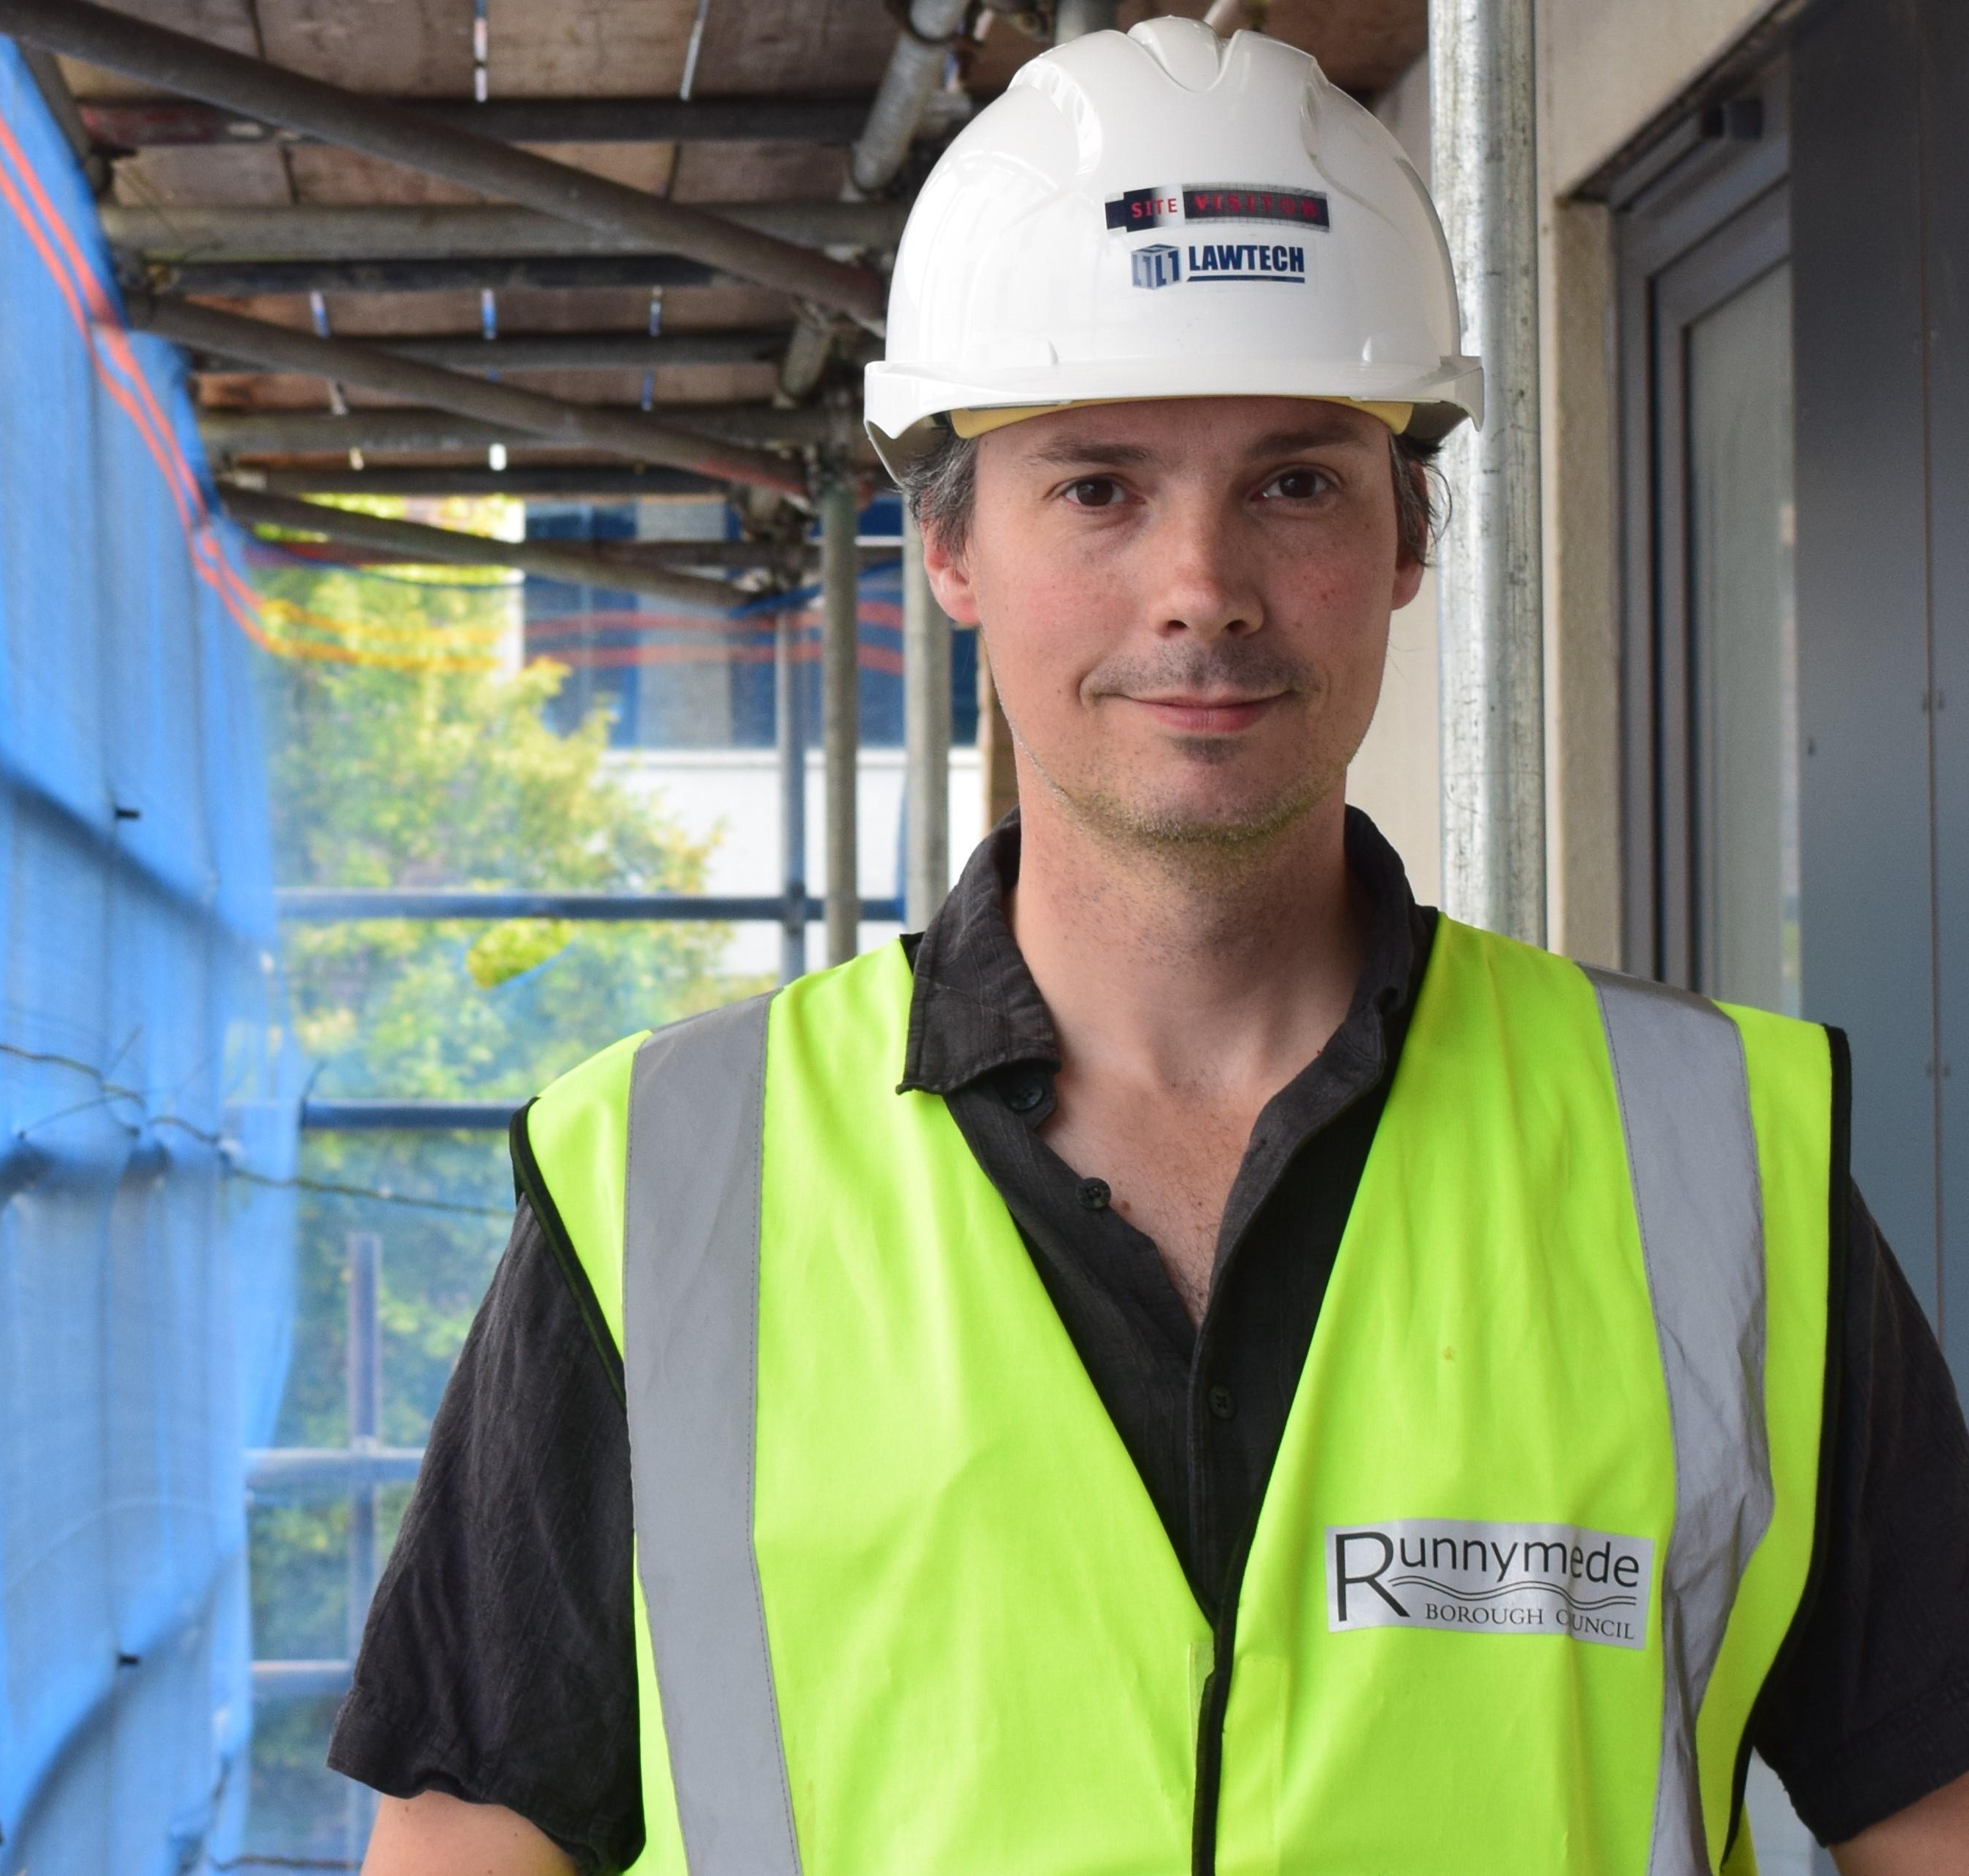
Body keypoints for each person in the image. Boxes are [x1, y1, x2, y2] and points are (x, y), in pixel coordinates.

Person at [332, 18, 1969, 1874]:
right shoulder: (667, 1187)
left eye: (1291, 481)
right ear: (949, 551)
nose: (1201, 585)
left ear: (1405, 537)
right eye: (1097, 485)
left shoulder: (1705, 1160)